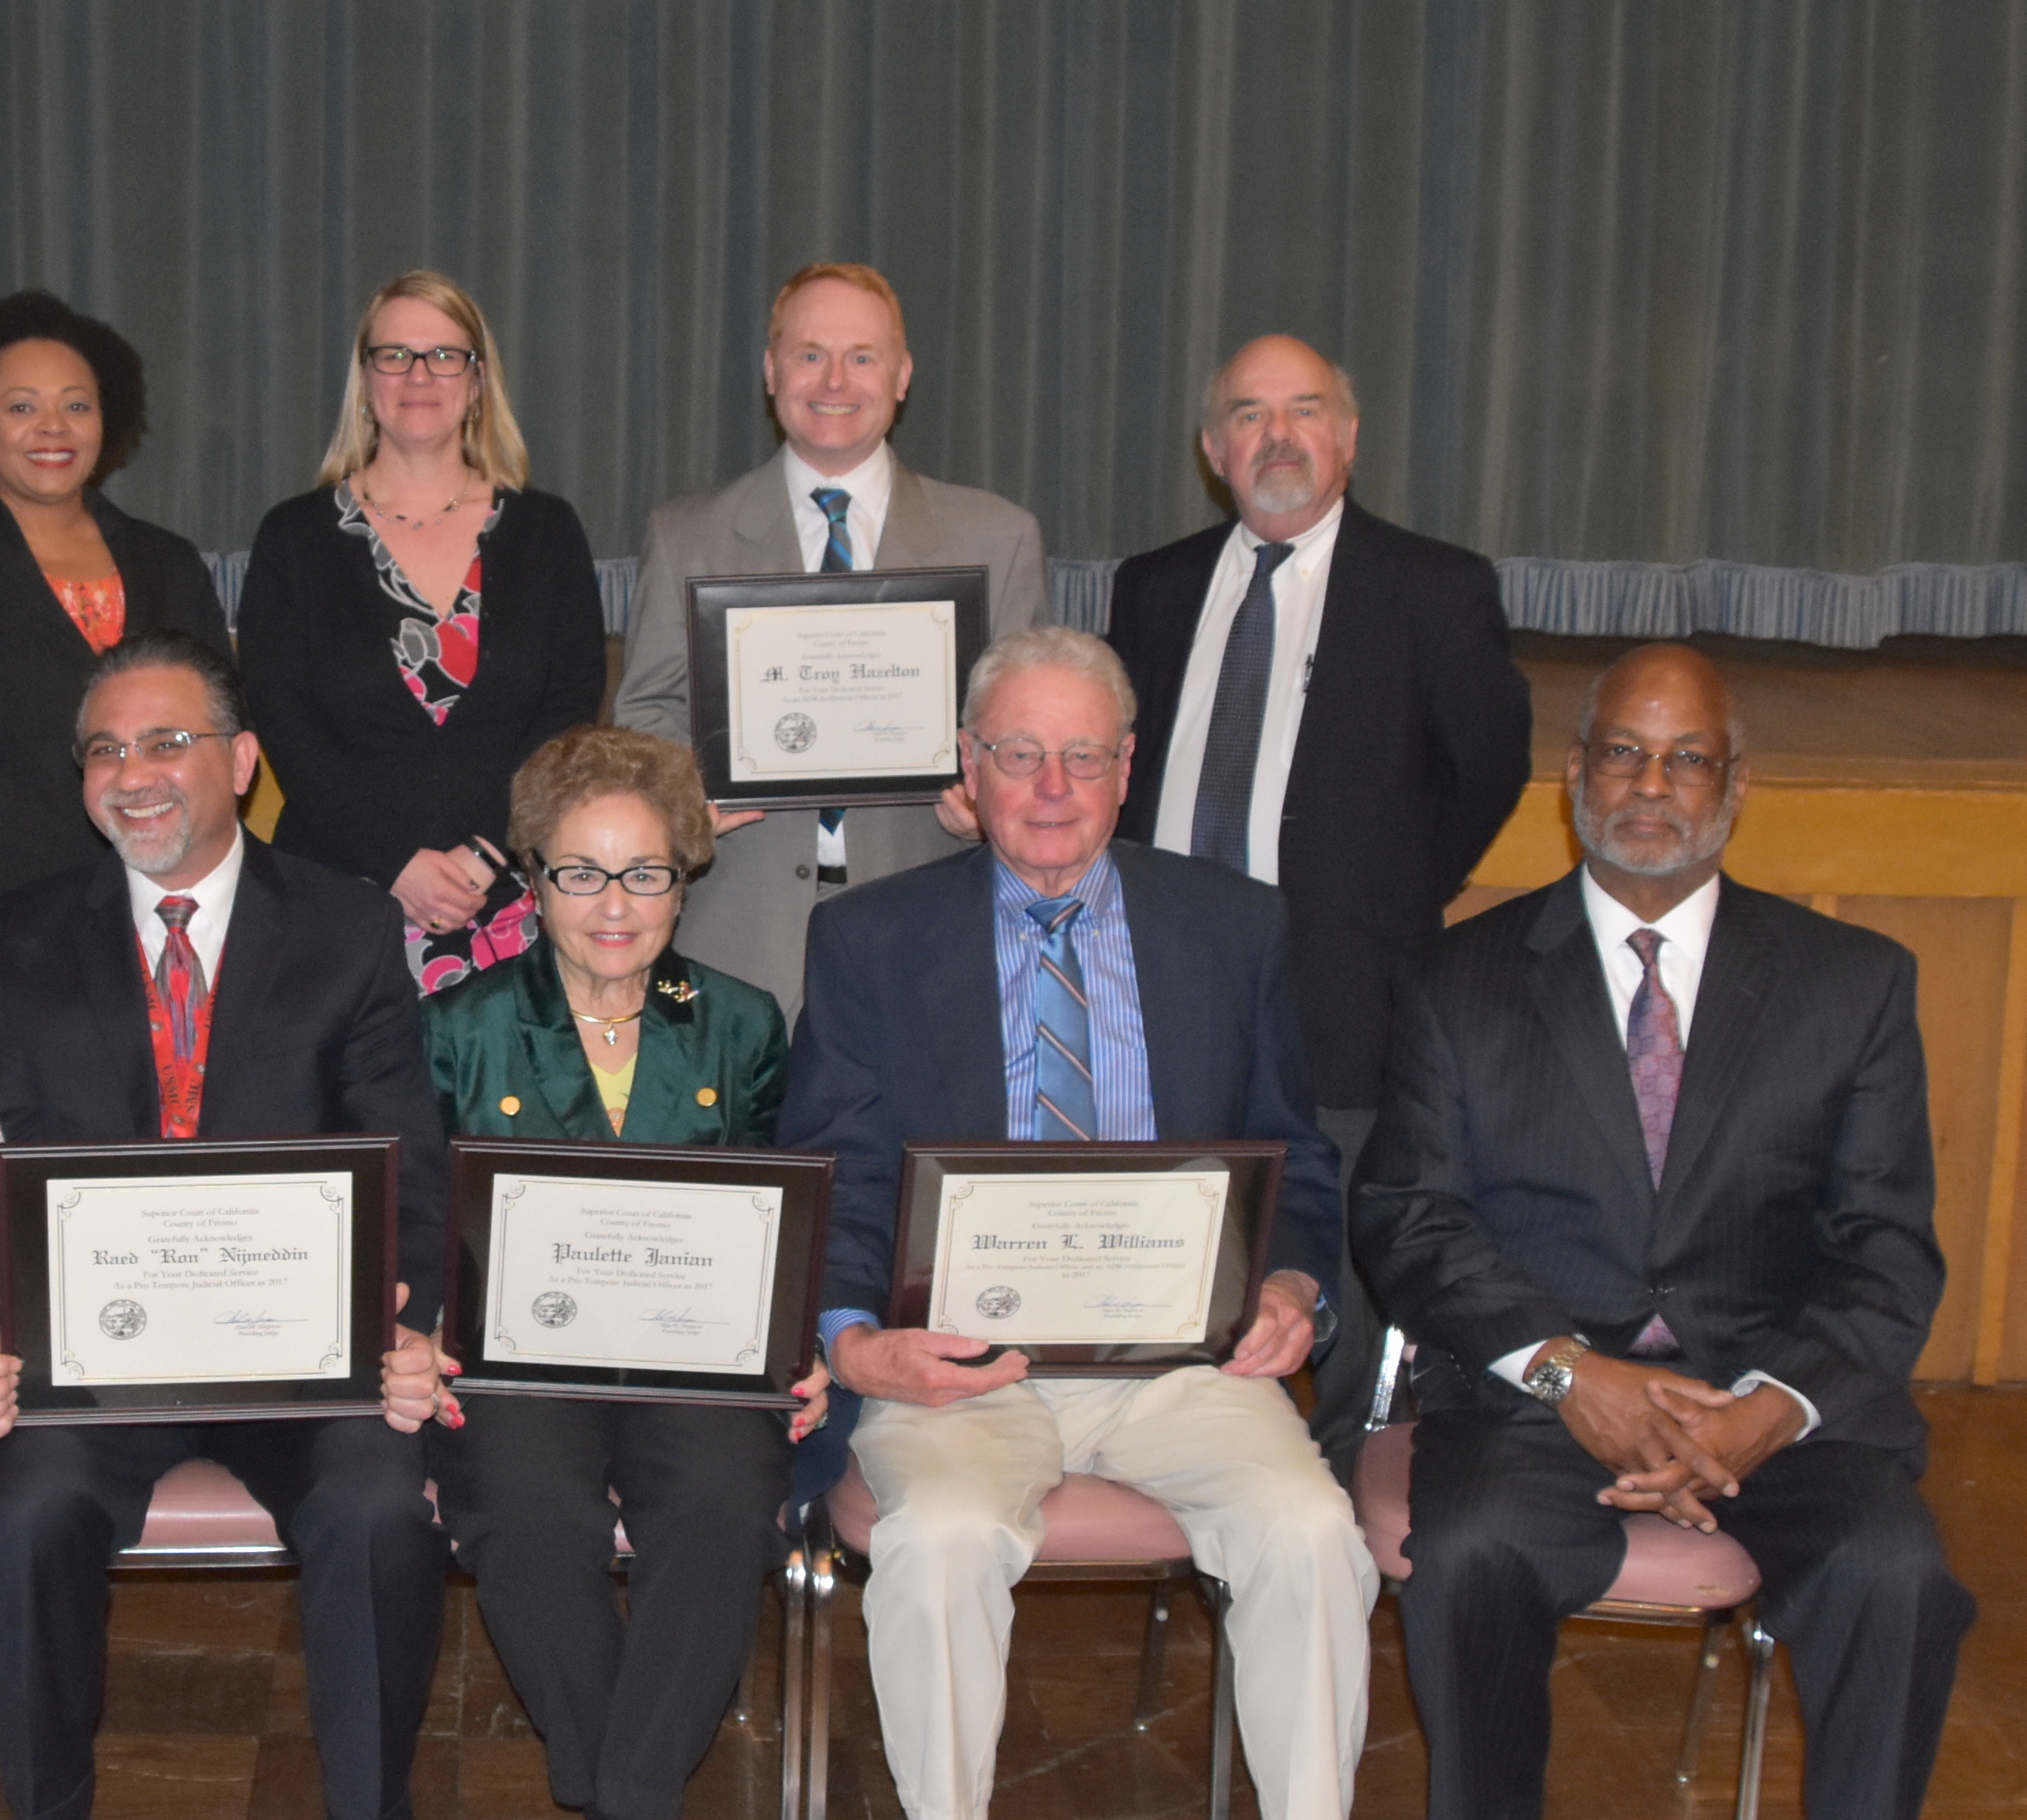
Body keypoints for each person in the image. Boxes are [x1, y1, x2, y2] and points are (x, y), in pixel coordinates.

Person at [1355, 644, 1968, 1820]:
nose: (1650, 785)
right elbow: (1410, 1218)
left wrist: (1765, 1405)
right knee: (1471, 1546)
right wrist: (1572, 1371)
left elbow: (1888, 1249)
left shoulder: (1850, 982)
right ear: (1574, 779)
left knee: (1897, 1566)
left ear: (1734, 785)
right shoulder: (1458, 975)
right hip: (1540, 1394)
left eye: (1685, 757)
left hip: (1775, 1404)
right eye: (1622, 753)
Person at [780, 624, 1392, 1820]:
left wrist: (1293, 1284)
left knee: (1311, 1529)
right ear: (968, 769)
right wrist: (856, 1342)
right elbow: (836, 1170)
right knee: (938, 1536)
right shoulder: (872, 939)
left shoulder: (1231, 926)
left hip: (1181, 1360)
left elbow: (1296, 1153)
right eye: (1016, 753)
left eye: (1080, 755)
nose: (1048, 787)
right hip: (961, 1362)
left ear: (1126, 769)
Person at [0, 629, 456, 1820]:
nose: (135, 773)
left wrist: (411, 1328)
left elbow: (409, 1165)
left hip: (299, 1351)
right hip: (91, 1354)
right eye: (106, 748)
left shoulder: (344, 925)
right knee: (18, 1519)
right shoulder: (13, 937)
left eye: (167, 741)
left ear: (240, 761)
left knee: (377, 1505)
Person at [422, 725, 825, 1820]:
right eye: (581, 872)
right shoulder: (460, 1026)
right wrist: (417, 1329)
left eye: (645, 873)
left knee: (720, 1504)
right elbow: (416, 1222)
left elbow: (777, 1215)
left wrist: (799, 1342)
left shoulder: (742, 1022)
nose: (614, 904)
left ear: (685, 877)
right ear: (534, 879)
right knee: (527, 1511)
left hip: (690, 1360)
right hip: (517, 1361)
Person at [1103, 335, 1530, 1469]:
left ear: (1346, 436)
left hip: (1344, 1001)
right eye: (1248, 413)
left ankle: (1337, 1507)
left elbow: (1485, 772)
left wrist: (1375, 893)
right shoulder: (1151, 588)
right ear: (1212, 448)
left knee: (1338, 1287)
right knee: (1168, 1276)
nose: (1277, 435)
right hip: (1161, 996)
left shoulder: (1434, 589)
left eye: (1303, 409)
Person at [616, 263, 1048, 1018]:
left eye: (862, 357)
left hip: (928, 920)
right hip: (734, 928)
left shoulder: (997, 538)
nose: (834, 381)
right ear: (770, 371)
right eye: (810, 354)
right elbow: (645, 713)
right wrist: (683, 802)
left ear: (902, 376)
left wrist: (987, 804)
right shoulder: (685, 535)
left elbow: (1028, 733)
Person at [237, 270, 605, 993]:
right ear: (365, 379)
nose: (418, 375)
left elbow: (567, 717)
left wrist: (486, 854)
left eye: (443, 355)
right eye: (394, 355)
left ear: (477, 381)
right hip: (338, 901)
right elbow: (286, 726)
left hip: (511, 896)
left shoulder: (546, 532)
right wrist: (395, 861)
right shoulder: (293, 538)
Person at [0, 289, 231, 969]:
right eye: (22, 408)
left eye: (76, 406)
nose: (53, 427)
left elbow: (218, 736)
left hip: (157, 912)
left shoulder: (168, 562)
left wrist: (154, 868)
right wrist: (106, 873)